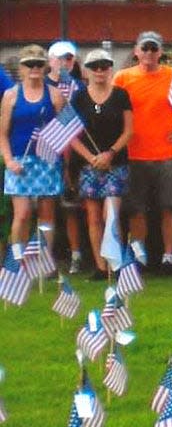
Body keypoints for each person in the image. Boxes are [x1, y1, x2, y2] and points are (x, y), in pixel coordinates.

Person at [113, 30, 172, 271]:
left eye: (153, 48)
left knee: (169, 208)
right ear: (136, 51)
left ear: (161, 52)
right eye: (144, 48)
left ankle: (168, 257)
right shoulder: (122, 78)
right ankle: (139, 256)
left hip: (166, 154)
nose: (148, 53)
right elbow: (108, 106)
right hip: (134, 153)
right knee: (136, 209)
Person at [69, 49, 133, 280]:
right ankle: (100, 266)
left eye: (103, 66)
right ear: (87, 70)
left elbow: (128, 131)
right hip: (89, 165)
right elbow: (71, 135)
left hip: (116, 164)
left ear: (110, 69)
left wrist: (110, 154)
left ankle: (116, 264)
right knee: (93, 216)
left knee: (111, 216)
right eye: (94, 66)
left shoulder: (121, 95)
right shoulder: (78, 98)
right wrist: (91, 158)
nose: (99, 71)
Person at [1, 44, 66, 264]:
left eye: (39, 64)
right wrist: (9, 160)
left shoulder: (55, 95)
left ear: (45, 67)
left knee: (47, 215)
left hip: (47, 160)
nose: (34, 68)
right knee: (22, 214)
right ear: (21, 67)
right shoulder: (11, 96)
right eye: (30, 64)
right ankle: (17, 260)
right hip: (19, 161)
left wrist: (62, 161)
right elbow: (3, 134)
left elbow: (64, 131)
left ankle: (43, 261)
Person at [47, 40, 86, 273]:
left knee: (72, 207)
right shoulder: (41, 85)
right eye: (59, 58)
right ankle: (47, 257)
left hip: (76, 152)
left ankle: (76, 255)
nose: (64, 63)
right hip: (49, 152)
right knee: (47, 207)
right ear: (50, 60)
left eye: (69, 59)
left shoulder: (79, 87)